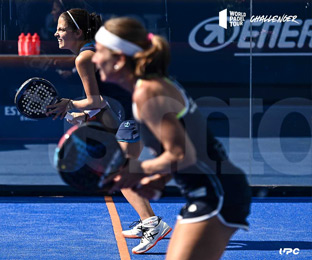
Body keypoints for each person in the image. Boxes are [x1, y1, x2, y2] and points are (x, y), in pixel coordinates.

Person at [92, 17, 252, 259]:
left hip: (217, 193)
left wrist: (136, 169)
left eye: (100, 51)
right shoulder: (148, 88)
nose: (93, 58)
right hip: (208, 190)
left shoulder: (149, 92)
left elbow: (180, 153)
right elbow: (183, 149)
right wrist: (160, 177)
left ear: (119, 59)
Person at [45, 9, 171, 254]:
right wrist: (83, 115)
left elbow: (94, 100)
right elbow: (105, 100)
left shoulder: (84, 58)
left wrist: (70, 104)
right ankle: (148, 220)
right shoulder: (96, 47)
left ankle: (153, 225)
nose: (56, 33)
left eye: (61, 29)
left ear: (77, 32)